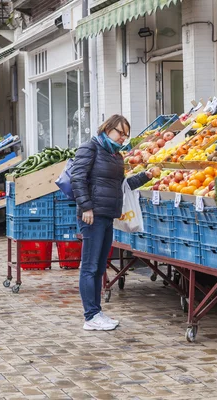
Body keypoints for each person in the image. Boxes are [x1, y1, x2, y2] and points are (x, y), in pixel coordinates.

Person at [71, 114, 161, 331]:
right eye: (120, 132)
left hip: (108, 214)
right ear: (108, 128)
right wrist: (86, 207)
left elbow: (122, 185)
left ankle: (97, 311)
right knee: (90, 266)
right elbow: (77, 177)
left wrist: (146, 176)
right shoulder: (90, 148)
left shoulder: (114, 155)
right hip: (92, 215)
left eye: (126, 135)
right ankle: (90, 316)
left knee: (100, 266)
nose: (123, 138)